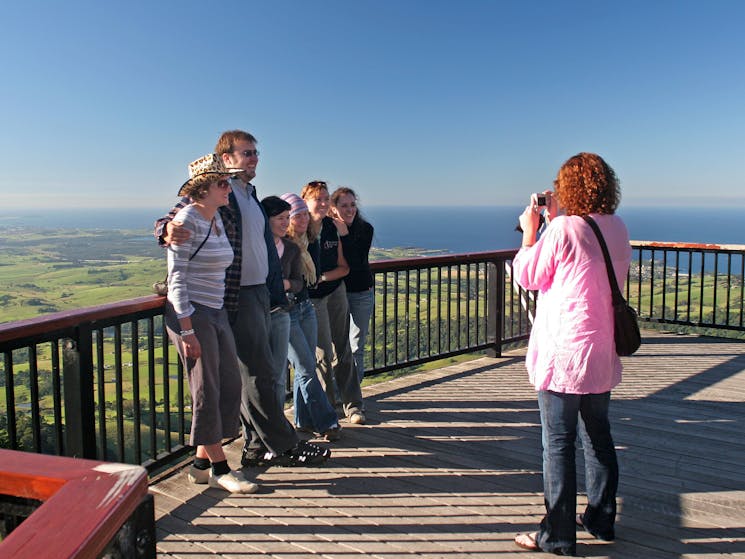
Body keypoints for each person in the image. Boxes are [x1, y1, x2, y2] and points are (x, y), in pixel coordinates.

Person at [155, 130, 330, 468]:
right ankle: (281, 445)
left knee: (250, 376)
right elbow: (175, 214)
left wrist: (274, 292)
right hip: (239, 296)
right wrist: (164, 229)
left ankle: (222, 456)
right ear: (227, 158)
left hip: (260, 293)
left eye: (255, 152)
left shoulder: (249, 193)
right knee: (260, 373)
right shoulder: (221, 192)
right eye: (246, 153)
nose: (254, 158)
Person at [511, 153, 631, 555]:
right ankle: (600, 517)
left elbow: (528, 275)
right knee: (598, 436)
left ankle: (558, 536)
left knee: (558, 444)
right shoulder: (616, 226)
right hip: (600, 350)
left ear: (567, 189)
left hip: (564, 352)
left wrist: (531, 233)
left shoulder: (562, 228)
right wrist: (554, 223)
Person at [165, 154, 256, 493]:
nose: (228, 187)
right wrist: (187, 330)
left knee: (229, 384)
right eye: (222, 183)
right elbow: (176, 280)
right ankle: (220, 468)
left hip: (216, 310)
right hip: (193, 313)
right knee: (207, 388)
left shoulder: (216, 218)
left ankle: (200, 464)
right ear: (202, 190)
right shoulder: (187, 221)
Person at [275, 193, 342, 441]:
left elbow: (300, 281)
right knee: (305, 366)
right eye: (296, 215)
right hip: (286, 312)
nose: (302, 218)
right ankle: (327, 421)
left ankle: (302, 421)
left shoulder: (308, 241)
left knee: (306, 366)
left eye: (304, 213)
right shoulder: (281, 245)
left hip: (305, 307)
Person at [301, 180, 365, 425]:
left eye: (326, 198)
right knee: (322, 355)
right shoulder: (299, 228)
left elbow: (344, 267)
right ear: (305, 201)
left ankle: (353, 405)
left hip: (334, 291)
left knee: (342, 348)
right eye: (318, 199)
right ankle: (327, 412)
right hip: (312, 299)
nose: (323, 203)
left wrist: (321, 277)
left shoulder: (331, 227)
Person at [330, 187, 374, 383]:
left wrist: (345, 235)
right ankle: (336, 395)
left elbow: (356, 264)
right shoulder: (327, 229)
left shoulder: (365, 229)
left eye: (353, 205)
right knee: (335, 346)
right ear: (334, 208)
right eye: (344, 205)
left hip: (361, 294)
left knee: (356, 346)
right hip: (335, 294)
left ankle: (354, 397)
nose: (350, 210)